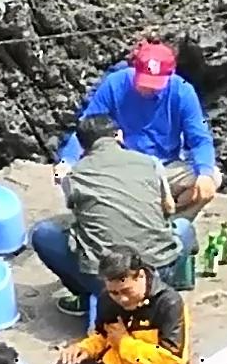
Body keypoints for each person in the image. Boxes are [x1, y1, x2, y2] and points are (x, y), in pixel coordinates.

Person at [35, 131, 196, 320]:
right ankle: (171, 283)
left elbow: (78, 214)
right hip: (156, 267)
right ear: (118, 136)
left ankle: (85, 294)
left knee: (43, 233)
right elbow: (168, 209)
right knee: (184, 226)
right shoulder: (150, 162)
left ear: (83, 148)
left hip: (107, 278)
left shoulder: (74, 176)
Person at [64, 36, 219, 206]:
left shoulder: (183, 92)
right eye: (144, 81)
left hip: (166, 168)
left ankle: (171, 224)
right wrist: (67, 161)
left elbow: (201, 139)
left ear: (170, 75)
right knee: (71, 178)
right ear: (135, 69)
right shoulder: (115, 84)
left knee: (212, 178)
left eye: (155, 83)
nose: (148, 88)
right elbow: (86, 127)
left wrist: (205, 174)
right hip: (121, 169)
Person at [53, 254, 187, 364]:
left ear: (140, 276)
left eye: (126, 291)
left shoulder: (169, 304)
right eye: (114, 292)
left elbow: (172, 359)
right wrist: (84, 348)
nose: (121, 299)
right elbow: (102, 336)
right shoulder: (107, 299)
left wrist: (124, 343)